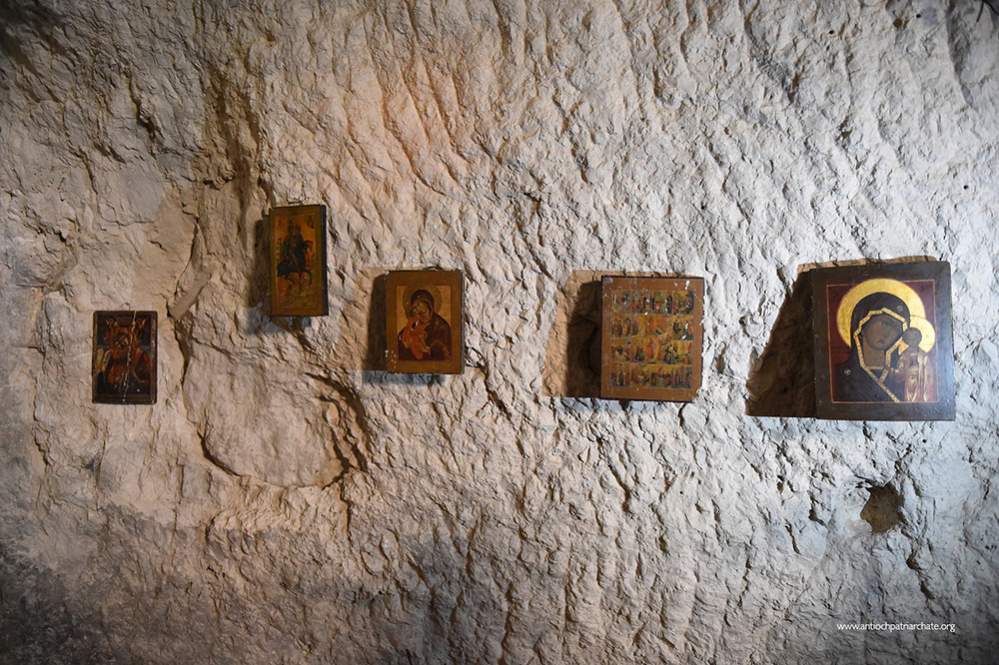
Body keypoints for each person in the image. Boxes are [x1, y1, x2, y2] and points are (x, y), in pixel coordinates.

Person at [835, 292, 912, 402]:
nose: (888, 333)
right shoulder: (840, 374)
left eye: (896, 329)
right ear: (862, 324)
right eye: (885, 323)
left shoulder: (904, 376)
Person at [398, 289, 452, 361]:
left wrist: (429, 350)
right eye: (415, 307)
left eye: (418, 304)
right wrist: (405, 344)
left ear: (429, 306)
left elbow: (446, 354)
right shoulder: (414, 323)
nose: (416, 308)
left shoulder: (441, 327)